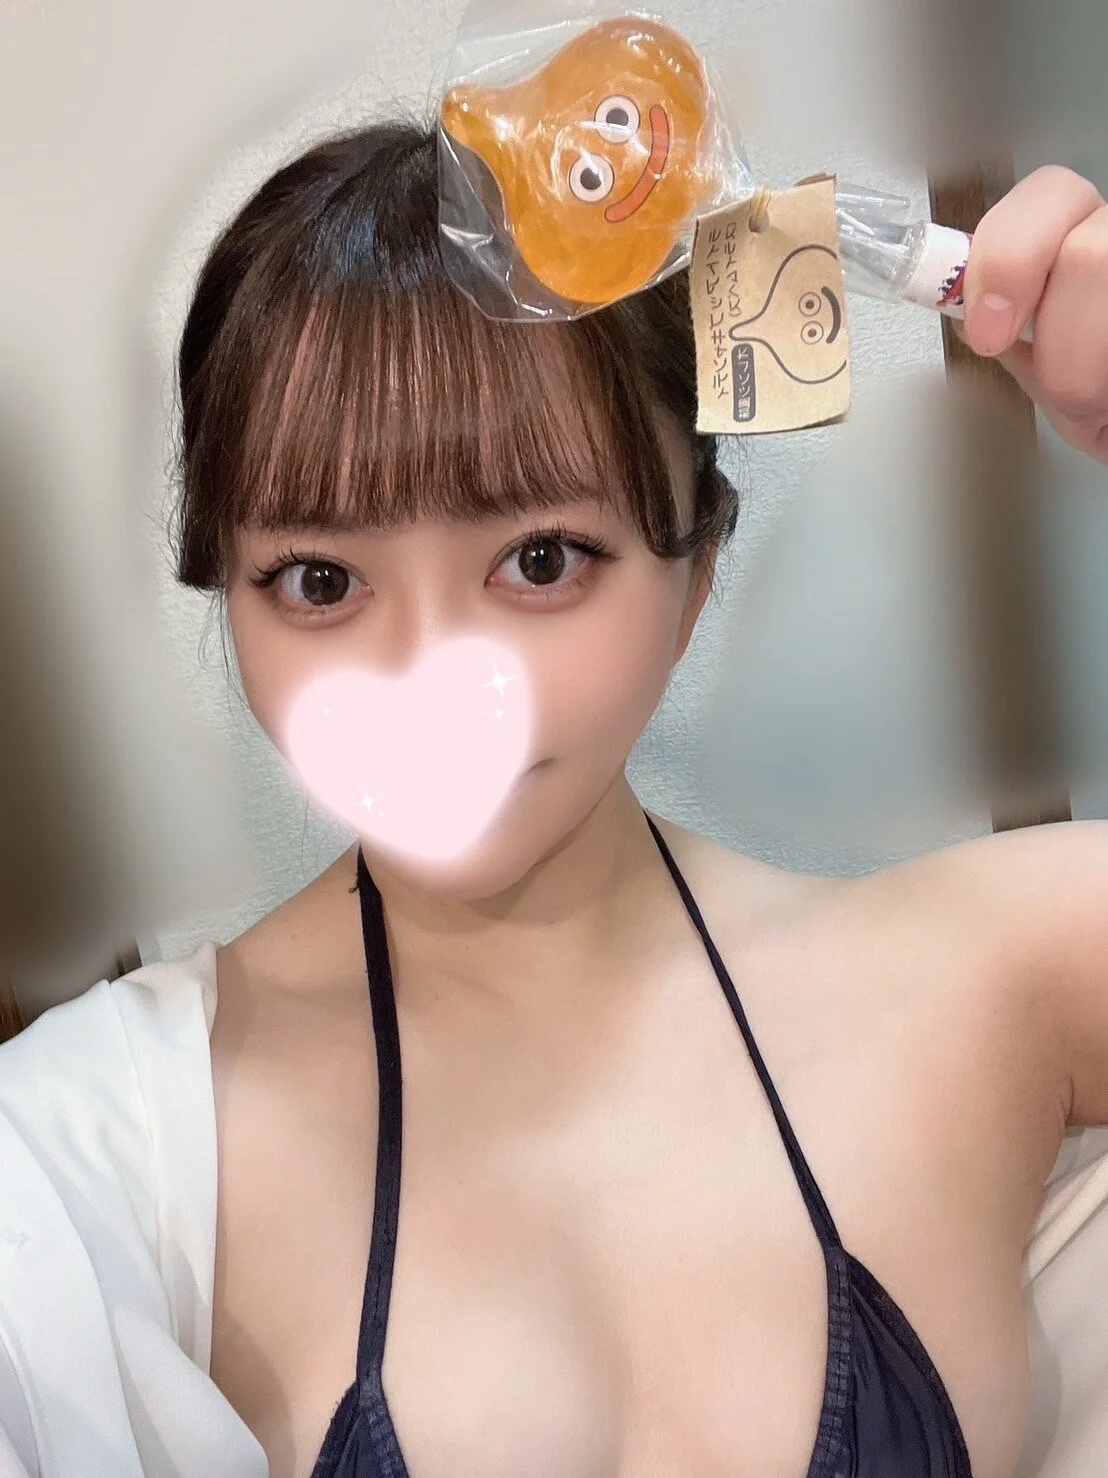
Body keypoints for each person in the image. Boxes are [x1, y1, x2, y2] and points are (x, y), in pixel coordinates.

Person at [0, 120, 1107, 1478]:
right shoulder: (93, 1157)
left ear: (696, 572)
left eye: (539, 559)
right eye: (320, 581)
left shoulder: (1002, 974)